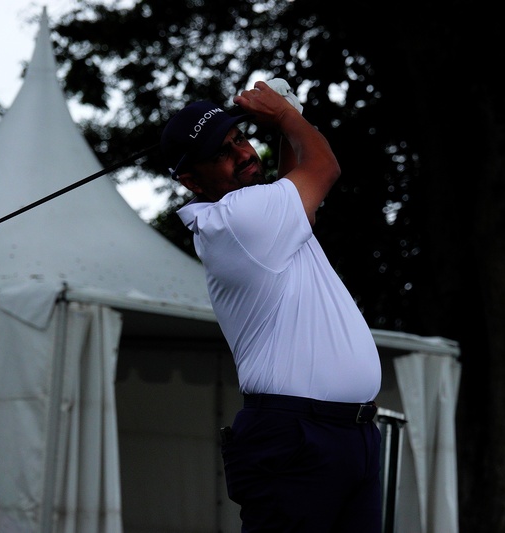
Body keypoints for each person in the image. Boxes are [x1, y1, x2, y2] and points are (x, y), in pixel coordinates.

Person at [160, 80, 383, 532]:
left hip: (343, 433)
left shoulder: (263, 216)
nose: (243, 153)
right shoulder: (238, 218)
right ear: (192, 181)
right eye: (222, 153)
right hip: (297, 434)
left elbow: (301, 199)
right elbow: (323, 167)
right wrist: (284, 116)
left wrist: (285, 131)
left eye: (239, 138)